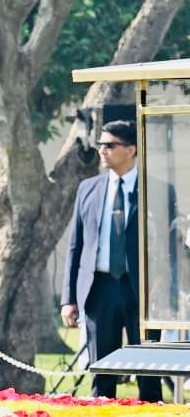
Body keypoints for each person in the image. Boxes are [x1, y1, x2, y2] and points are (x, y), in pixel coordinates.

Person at [62, 120, 161, 402]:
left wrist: (161, 286)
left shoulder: (154, 189)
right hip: (99, 289)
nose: (102, 150)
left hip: (141, 289)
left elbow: (166, 248)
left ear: (130, 150)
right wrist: (69, 299)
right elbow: (75, 246)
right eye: (100, 144)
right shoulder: (88, 189)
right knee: (102, 371)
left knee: (148, 371)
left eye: (110, 145)